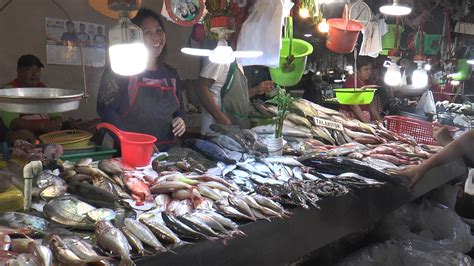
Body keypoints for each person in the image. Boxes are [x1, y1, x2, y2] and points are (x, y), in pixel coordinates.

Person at [97, 8, 186, 151]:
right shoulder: (120, 68)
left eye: (158, 30)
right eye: (147, 32)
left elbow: (180, 108)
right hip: (128, 151)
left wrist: (181, 119)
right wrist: (132, 142)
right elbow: (105, 110)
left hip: (166, 153)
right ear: (134, 36)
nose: (156, 38)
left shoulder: (171, 74)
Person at [196, 41, 274, 135]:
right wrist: (221, 119)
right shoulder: (221, 59)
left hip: (232, 127)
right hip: (215, 129)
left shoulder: (238, 63)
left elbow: (236, 96)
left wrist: (257, 89)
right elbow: (201, 88)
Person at [1, 55, 62, 143]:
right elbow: (13, 123)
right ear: (19, 71)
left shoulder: (43, 89)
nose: (34, 74)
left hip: (45, 132)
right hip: (19, 133)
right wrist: (41, 125)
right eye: (29, 69)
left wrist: (57, 123)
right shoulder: (9, 90)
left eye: (37, 70)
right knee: (24, 135)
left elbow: (56, 114)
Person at [339, 56, 382, 123]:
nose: (369, 72)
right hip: (351, 120)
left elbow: (371, 103)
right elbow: (353, 105)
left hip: (363, 119)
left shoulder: (367, 82)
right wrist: (366, 124)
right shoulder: (351, 81)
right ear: (357, 70)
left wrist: (379, 120)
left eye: (370, 69)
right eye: (366, 69)